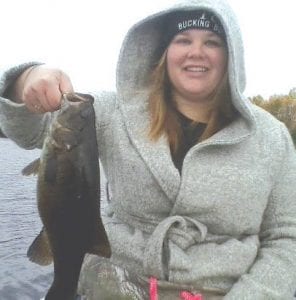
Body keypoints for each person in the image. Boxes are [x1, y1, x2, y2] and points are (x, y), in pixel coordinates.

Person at [1, 0, 296, 299]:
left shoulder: (272, 137)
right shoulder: (111, 111)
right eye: (183, 40)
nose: (196, 51)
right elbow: (29, 131)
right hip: (110, 285)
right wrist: (28, 79)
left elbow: (288, 238)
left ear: (232, 54)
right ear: (163, 52)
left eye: (212, 41)